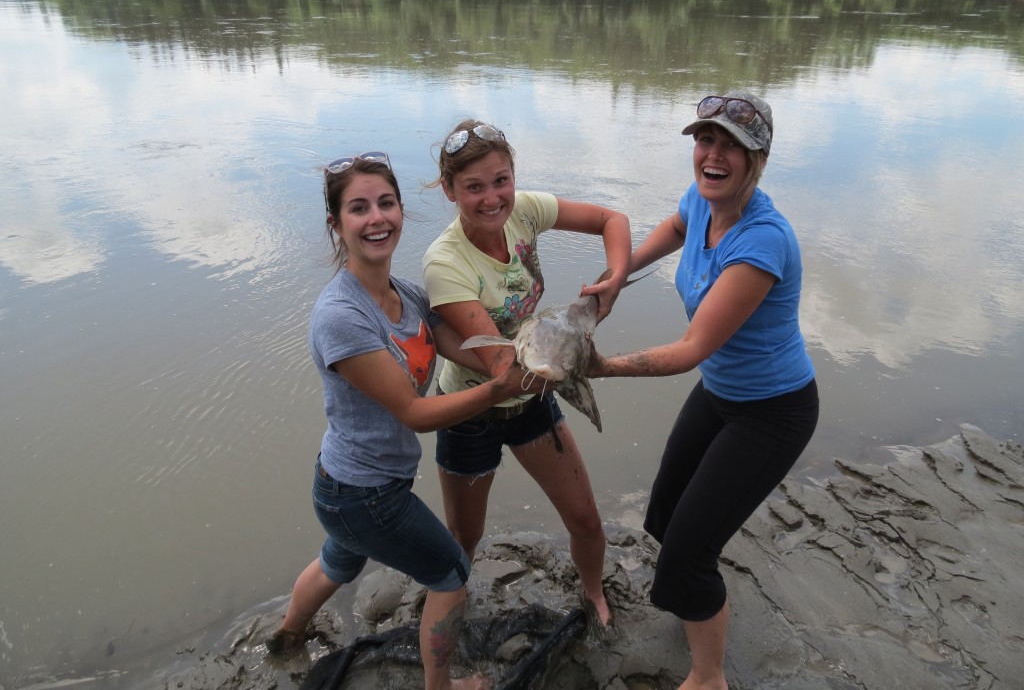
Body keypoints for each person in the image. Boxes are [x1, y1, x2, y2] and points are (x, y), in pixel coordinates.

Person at [268, 152, 543, 690]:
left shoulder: (406, 297)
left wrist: (517, 361)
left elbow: (460, 343)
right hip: (362, 493)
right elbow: (416, 414)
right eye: (359, 208)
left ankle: (287, 636)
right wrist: (497, 391)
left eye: (386, 203)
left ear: (400, 211)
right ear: (337, 225)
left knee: (338, 562)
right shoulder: (342, 318)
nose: (377, 218)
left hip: (347, 482)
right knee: (450, 574)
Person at [584, 92, 818, 690]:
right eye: (705, 140)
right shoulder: (703, 199)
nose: (712, 156)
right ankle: (698, 596)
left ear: (758, 158)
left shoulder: (763, 242)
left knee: (685, 558)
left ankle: (708, 676)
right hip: (722, 394)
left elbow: (690, 350)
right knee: (665, 513)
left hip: (772, 412)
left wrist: (598, 366)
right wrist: (619, 275)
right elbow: (676, 224)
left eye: (731, 146)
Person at [421, 120, 632, 627]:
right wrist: (582, 366)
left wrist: (614, 281)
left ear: (514, 177)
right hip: (472, 412)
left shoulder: (525, 211)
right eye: (474, 187)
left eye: (502, 181)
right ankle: (451, 609)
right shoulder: (444, 263)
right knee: (463, 539)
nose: (493, 198)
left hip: (534, 401)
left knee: (585, 519)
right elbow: (503, 368)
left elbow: (613, 219)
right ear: (449, 190)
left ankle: (593, 594)